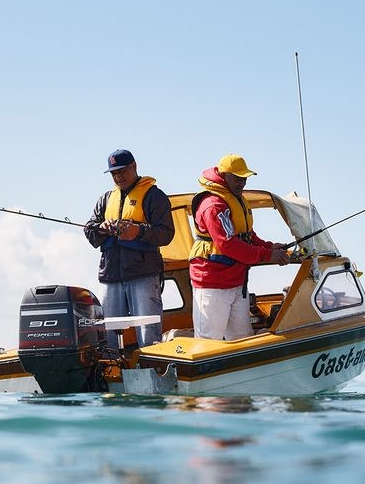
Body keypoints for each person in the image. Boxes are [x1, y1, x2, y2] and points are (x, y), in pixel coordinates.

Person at [189, 153, 290, 341]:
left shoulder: (234, 198)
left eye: (244, 178)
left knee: (242, 338)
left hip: (236, 281)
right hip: (212, 282)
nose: (242, 182)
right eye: (237, 178)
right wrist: (268, 255)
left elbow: (247, 235)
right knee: (209, 341)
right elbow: (228, 244)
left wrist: (270, 247)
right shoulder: (213, 205)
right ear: (223, 175)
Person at [83, 149, 174, 350]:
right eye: (114, 173)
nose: (118, 176)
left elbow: (166, 233)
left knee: (148, 333)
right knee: (109, 335)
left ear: (134, 166)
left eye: (122, 171)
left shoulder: (154, 196)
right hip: (111, 277)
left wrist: (138, 231)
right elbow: (89, 231)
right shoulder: (106, 199)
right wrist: (101, 228)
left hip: (144, 275)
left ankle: (152, 372)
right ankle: (114, 373)